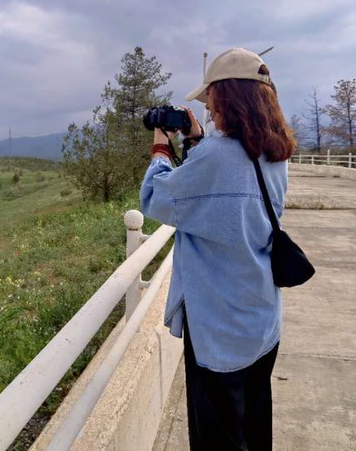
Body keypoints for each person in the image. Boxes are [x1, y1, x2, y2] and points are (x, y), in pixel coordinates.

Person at [141, 48, 296, 451]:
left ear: (228, 97)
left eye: (209, 99)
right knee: (254, 424)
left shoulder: (217, 155)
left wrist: (161, 149)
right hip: (261, 317)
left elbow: (156, 198)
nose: (207, 109)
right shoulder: (275, 152)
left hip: (219, 327)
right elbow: (226, 196)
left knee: (218, 438)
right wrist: (195, 139)